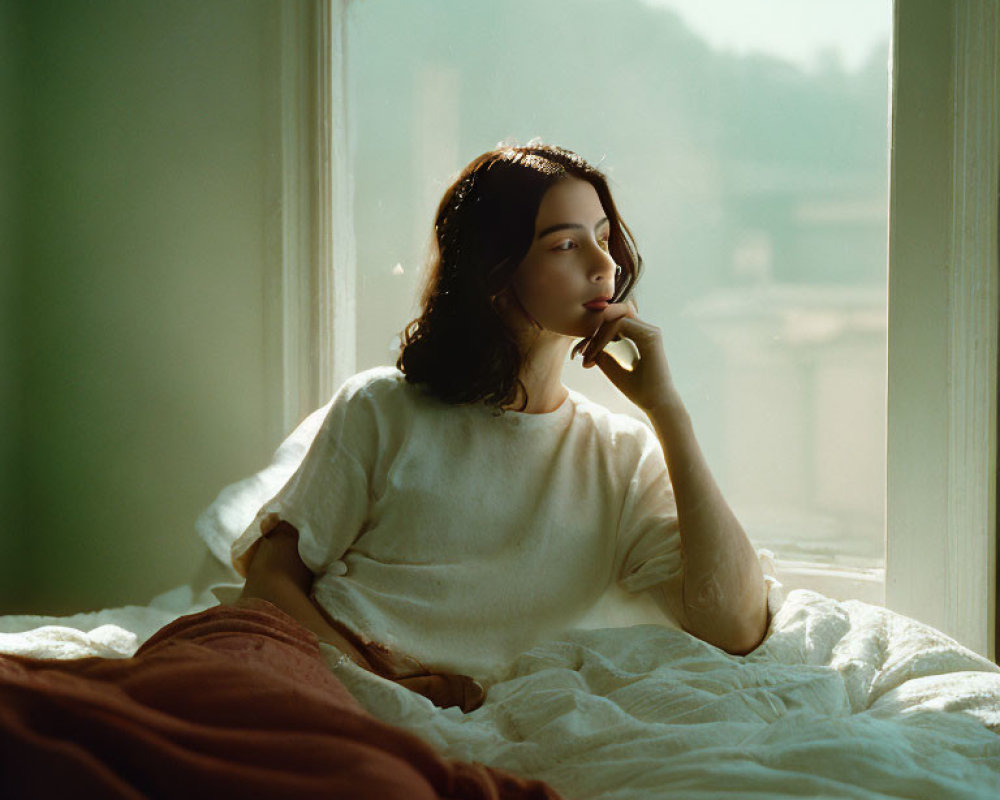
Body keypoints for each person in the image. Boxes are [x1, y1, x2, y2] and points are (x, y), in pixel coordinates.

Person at [229, 142, 769, 713]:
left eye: (604, 238)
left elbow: (734, 627)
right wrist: (380, 692)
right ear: (494, 270)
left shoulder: (621, 454)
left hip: (426, 718)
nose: (603, 264)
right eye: (566, 244)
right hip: (317, 678)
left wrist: (667, 412)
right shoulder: (382, 409)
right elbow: (268, 585)